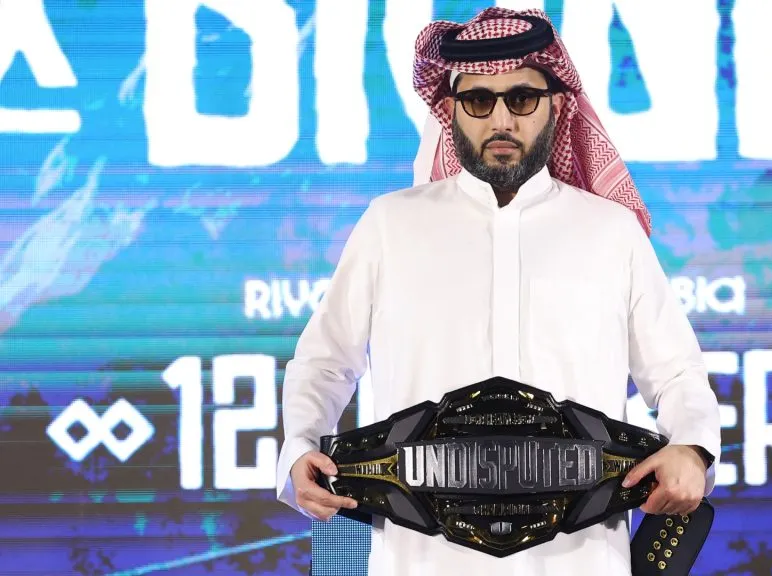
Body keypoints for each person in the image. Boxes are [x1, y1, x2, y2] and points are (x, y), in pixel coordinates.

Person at [275, 7, 721, 576]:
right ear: (451, 110)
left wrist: (692, 448)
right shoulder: (391, 225)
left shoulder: (611, 231)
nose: (501, 119)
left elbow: (678, 372)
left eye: (522, 98)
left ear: (557, 105)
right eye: (479, 101)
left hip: (579, 562)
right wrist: (300, 447)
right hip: (422, 561)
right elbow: (324, 362)